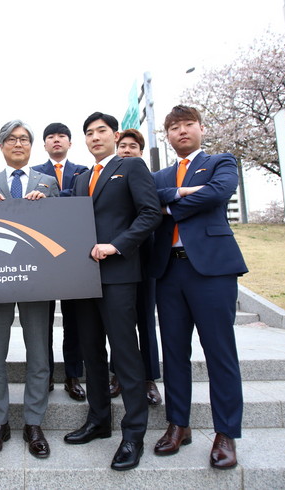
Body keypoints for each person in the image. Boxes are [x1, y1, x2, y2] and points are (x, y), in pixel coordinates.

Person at [150, 105, 247, 469]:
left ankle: (226, 433)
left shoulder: (221, 162)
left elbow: (218, 193)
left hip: (212, 271)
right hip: (168, 272)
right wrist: (181, 191)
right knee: (174, 352)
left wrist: (170, 205)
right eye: (174, 127)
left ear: (201, 128)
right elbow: (147, 201)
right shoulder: (158, 176)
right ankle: (179, 424)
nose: (182, 131)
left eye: (188, 124)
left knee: (220, 352)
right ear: (168, 136)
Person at [65, 112, 161, 471]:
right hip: (83, 277)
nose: (94, 137)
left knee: (125, 354)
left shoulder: (131, 167)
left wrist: (116, 245)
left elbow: (150, 213)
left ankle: (133, 433)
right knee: (91, 352)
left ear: (115, 135)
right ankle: (98, 420)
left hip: (119, 274)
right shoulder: (80, 178)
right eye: (88, 133)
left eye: (101, 131)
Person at [0, 120, 59, 459]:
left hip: (37, 279)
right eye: (12, 139)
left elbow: (60, 229)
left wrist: (47, 204)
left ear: (31, 145)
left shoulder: (48, 182)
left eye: (24, 139)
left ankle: (33, 423)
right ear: (1, 145)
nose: (19, 144)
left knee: (38, 352)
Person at [32, 122, 89, 401]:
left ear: (70, 142)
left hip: (73, 254)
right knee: (41, 320)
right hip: (40, 254)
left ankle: (72, 375)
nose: (56, 140)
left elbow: (83, 199)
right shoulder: (33, 174)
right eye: (51, 137)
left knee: (74, 319)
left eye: (62, 136)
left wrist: (52, 197)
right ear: (44, 144)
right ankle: (44, 376)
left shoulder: (83, 172)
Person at [108, 128, 162, 406]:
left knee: (144, 320)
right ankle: (117, 373)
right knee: (119, 322)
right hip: (117, 261)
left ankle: (149, 378)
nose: (127, 150)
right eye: (123, 146)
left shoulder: (144, 175)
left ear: (141, 152)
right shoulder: (110, 177)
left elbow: (155, 205)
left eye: (133, 147)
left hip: (143, 257)